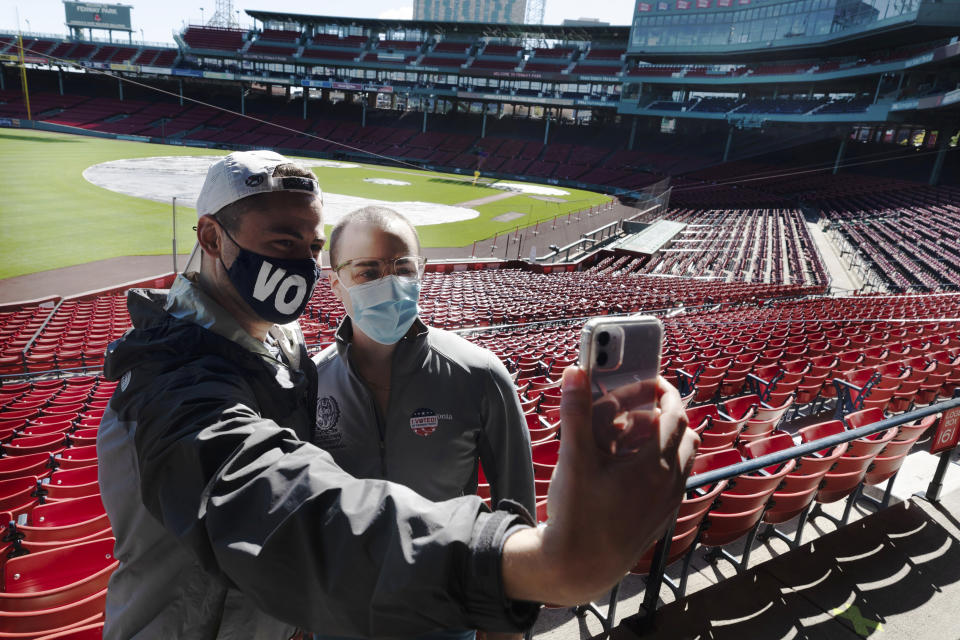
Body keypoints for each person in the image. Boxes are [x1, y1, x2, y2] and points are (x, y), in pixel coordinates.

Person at [96, 150, 699, 640]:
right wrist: (533, 566)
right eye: (282, 243)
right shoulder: (166, 377)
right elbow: (283, 506)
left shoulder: (285, 344)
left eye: (311, 248)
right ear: (209, 235)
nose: (299, 265)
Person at [314, 207, 536, 640]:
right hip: (341, 620)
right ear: (334, 280)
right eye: (368, 270)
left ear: (422, 271)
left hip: (444, 621)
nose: (391, 282)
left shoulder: (481, 374)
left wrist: (507, 624)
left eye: (403, 267)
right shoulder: (311, 381)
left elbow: (518, 511)